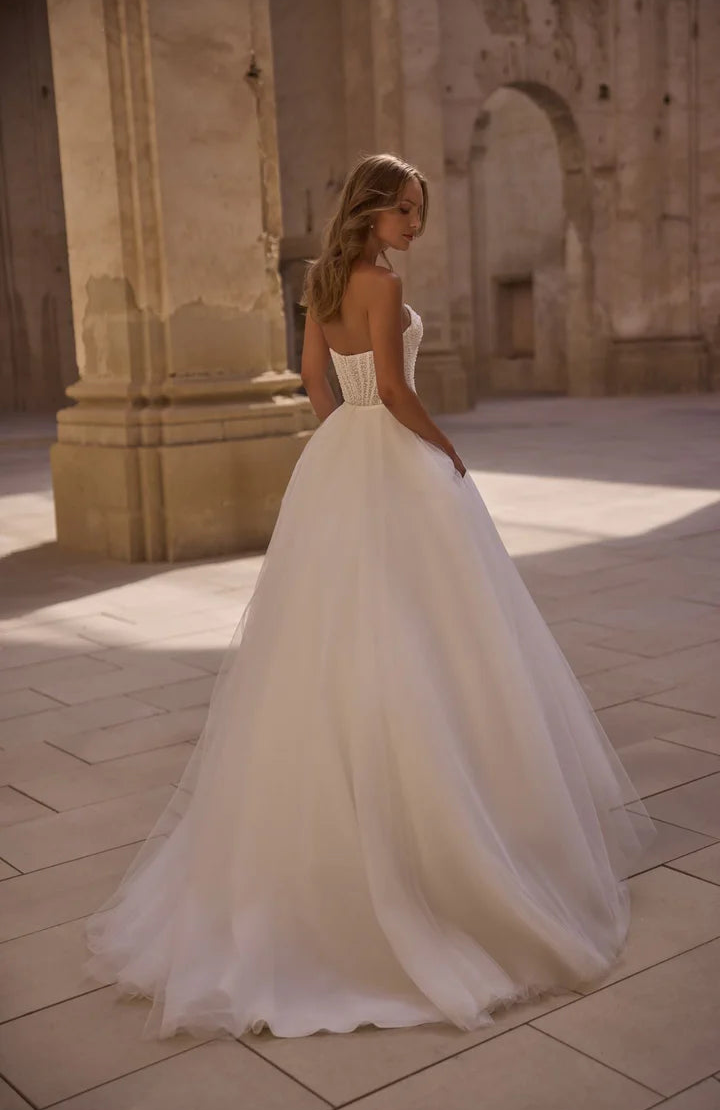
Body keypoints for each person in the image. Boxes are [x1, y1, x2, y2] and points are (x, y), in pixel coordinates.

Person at [83, 152, 656, 1041]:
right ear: (373, 211)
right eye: (405, 212)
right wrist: (445, 449)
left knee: (330, 645)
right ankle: (443, 849)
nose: (413, 227)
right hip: (391, 457)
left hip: (337, 464)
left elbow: (323, 384)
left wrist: (343, 450)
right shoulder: (380, 285)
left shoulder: (320, 284)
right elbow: (393, 390)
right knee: (428, 638)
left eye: (419, 212)